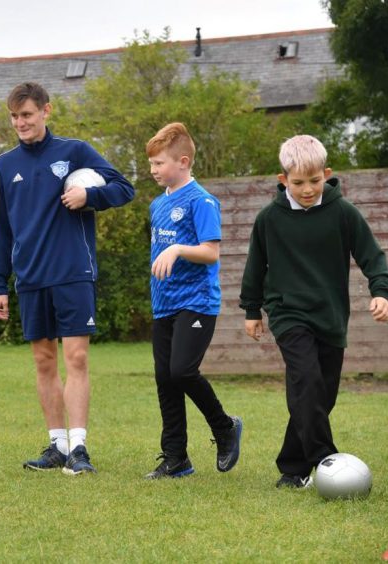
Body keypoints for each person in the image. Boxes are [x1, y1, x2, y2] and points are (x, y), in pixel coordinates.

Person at [0, 82, 135, 475]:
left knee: (78, 357)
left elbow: (125, 188)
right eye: (15, 116)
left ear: (46, 112)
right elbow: (0, 229)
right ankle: (56, 446)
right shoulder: (3, 166)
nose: (21, 122)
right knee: (43, 360)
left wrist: (90, 198)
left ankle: (80, 448)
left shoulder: (75, 152)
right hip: (31, 276)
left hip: (73, 272)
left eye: (28, 115)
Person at [239, 135, 388, 489]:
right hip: (288, 313)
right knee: (306, 381)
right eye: (298, 183)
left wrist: (382, 293)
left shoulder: (343, 213)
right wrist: (252, 310)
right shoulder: (269, 219)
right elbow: (255, 267)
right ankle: (328, 460)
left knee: (320, 396)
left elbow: (373, 257)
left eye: (314, 181)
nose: (307, 189)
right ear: (283, 181)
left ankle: (292, 470)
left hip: (330, 317)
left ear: (327, 174)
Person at [145, 123, 242, 480]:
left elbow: (211, 252)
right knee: (165, 379)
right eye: (152, 164)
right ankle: (176, 459)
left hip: (197, 303)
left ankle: (225, 427)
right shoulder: (158, 204)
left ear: (182, 161)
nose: (153, 170)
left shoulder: (201, 201)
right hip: (164, 304)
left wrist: (177, 249)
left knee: (182, 370)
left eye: (159, 163)